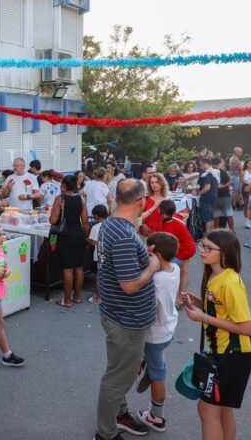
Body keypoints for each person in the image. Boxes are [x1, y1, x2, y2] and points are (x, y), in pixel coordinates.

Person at [93, 178, 161, 440]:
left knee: (119, 370)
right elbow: (130, 285)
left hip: (118, 314)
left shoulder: (114, 224)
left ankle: (118, 415)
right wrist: (152, 266)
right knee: (119, 377)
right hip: (126, 318)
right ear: (140, 200)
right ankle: (105, 432)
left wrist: (143, 254)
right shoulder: (122, 233)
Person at [180, 230, 251, 440]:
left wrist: (203, 317)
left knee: (207, 410)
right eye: (202, 246)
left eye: (208, 248)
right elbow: (219, 308)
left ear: (224, 253)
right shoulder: (215, 274)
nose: (202, 250)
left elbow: (246, 327)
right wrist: (197, 301)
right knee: (222, 410)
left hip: (233, 354)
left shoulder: (231, 282)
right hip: (223, 352)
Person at [135, 232, 180, 433]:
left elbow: (147, 308)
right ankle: (146, 362)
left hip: (155, 334)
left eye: (148, 250)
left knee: (158, 374)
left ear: (157, 254)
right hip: (169, 327)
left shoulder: (157, 280)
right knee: (157, 364)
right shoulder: (175, 268)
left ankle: (157, 417)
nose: (145, 253)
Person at [0, 223, 25, 367]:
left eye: (2, 234)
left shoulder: (0, 250)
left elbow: (5, 267)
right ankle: (7, 355)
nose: (3, 237)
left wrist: (6, 272)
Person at [50, 174, 89, 307]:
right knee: (79, 267)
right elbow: (85, 222)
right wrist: (86, 237)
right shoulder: (81, 199)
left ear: (64, 186)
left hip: (65, 235)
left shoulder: (60, 199)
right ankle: (77, 297)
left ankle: (66, 301)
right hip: (78, 234)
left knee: (68, 269)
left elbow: (53, 220)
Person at [159, 200, 195, 300]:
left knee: (171, 272)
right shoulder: (176, 216)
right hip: (189, 246)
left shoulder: (168, 225)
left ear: (162, 211)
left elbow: (170, 244)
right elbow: (186, 215)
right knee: (184, 271)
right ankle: (182, 297)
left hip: (183, 250)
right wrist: (183, 226)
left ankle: (176, 299)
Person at [86, 204, 109, 305]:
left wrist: (86, 238)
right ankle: (106, 297)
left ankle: (98, 297)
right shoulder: (110, 224)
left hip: (98, 255)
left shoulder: (96, 227)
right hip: (109, 254)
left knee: (98, 277)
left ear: (96, 215)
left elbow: (94, 242)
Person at [212, 158, 234, 231]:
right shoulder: (220, 171)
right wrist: (223, 186)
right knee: (228, 214)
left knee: (217, 215)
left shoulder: (220, 171)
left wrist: (222, 186)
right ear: (219, 164)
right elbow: (230, 181)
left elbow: (229, 181)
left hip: (219, 195)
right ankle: (232, 231)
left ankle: (217, 231)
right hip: (223, 195)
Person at [197, 159, 219, 233]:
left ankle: (207, 236)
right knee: (211, 217)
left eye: (201, 164)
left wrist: (199, 193)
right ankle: (211, 235)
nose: (201, 166)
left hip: (206, 198)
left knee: (207, 219)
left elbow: (207, 187)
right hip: (213, 197)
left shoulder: (208, 173)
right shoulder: (215, 172)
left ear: (205, 164)